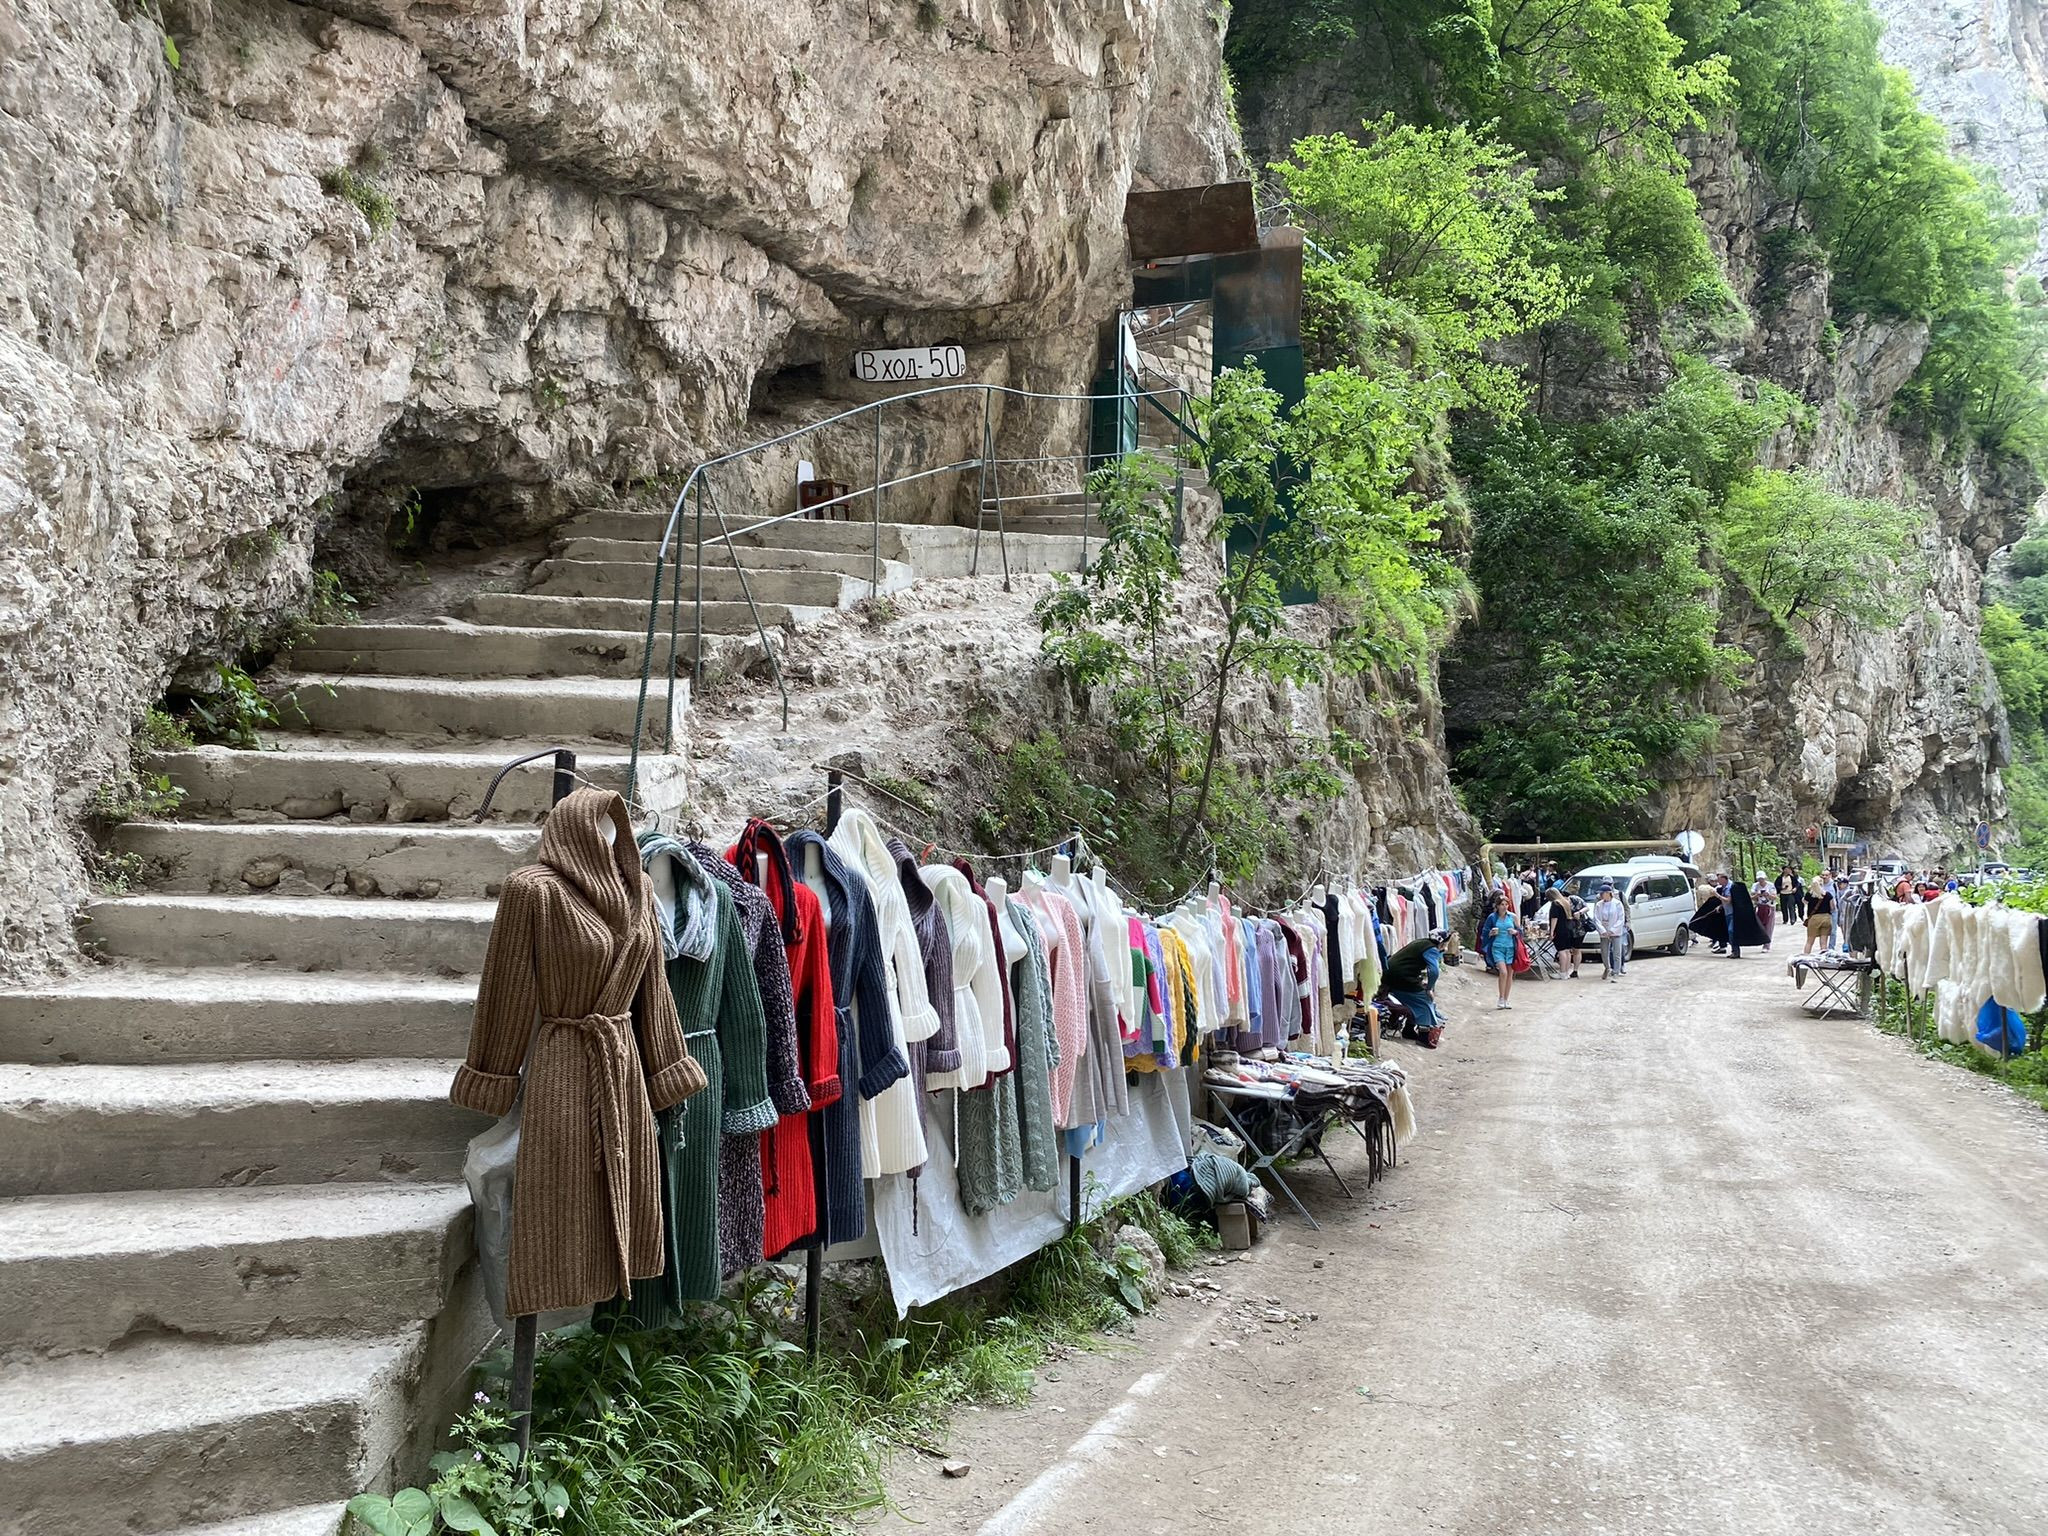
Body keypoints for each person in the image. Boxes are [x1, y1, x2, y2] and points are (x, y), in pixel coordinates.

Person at [1382, 930, 1448, 1047]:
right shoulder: (1431, 950)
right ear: (1442, 943)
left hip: (1391, 974)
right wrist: (1429, 988)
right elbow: (1434, 971)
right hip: (1400, 977)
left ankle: (1409, 1029)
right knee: (1424, 999)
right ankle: (1423, 1035)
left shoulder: (1421, 942)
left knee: (1413, 997)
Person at [1486, 891, 1522, 1009]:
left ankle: (1506, 999)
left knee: (1510, 974)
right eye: (1502, 904)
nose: (1504, 907)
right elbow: (1484, 933)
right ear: (1497, 906)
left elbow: (1520, 931)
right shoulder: (1492, 917)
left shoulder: (1513, 917)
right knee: (1503, 972)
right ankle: (1501, 998)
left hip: (1511, 948)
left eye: (1506, 904)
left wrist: (1515, 932)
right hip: (1497, 947)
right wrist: (1491, 933)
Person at [1592, 882, 1630, 981]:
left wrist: (1612, 930)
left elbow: (1621, 918)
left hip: (1615, 931)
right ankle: (1607, 967)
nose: (1601, 895)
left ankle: (1616, 972)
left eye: (1602, 893)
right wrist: (1602, 930)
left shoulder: (1617, 903)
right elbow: (1596, 918)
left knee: (1616, 952)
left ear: (1608, 893)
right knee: (1604, 952)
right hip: (1604, 931)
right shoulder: (1599, 905)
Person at [1547, 884, 1584, 979]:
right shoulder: (1565, 902)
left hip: (1560, 930)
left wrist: (1551, 932)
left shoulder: (1555, 904)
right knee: (1567, 951)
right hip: (1568, 929)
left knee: (1561, 951)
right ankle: (1566, 972)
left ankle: (1562, 972)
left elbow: (1554, 919)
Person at [1723, 877, 1766, 958]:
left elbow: (1729, 900)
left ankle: (1736, 951)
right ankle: (1734, 950)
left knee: (1731, 931)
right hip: (1728, 912)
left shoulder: (1732, 888)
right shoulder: (1724, 888)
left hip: (1734, 913)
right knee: (1730, 932)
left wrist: (1716, 895)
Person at [1692, 876, 1729, 954]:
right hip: (1718, 913)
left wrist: (1719, 902)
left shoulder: (1720, 889)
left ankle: (1723, 945)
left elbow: (1726, 900)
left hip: (1723, 913)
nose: (1715, 882)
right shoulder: (1717, 889)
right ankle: (1721, 945)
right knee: (1719, 929)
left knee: (1722, 929)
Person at [1804, 875, 1835, 955]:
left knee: (1810, 941)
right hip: (1826, 918)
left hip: (1814, 919)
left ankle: (1806, 956)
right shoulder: (1827, 895)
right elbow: (1833, 907)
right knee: (1824, 942)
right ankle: (1823, 957)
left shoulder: (1809, 895)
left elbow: (1804, 902)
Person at [1753, 876, 1777, 951]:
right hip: (1759, 907)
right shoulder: (1755, 886)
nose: (1761, 881)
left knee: (1768, 926)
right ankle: (1761, 940)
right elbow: (1751, 897)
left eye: (1762, 879)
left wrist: (1768, 895)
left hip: (1769, 906)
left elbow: (1775, 897)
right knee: (1760, 925)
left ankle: (1766, 945)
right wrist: (1757, 895)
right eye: (1759, 879)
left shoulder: (1771, 885)